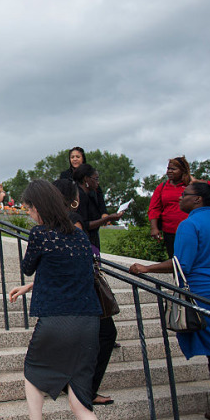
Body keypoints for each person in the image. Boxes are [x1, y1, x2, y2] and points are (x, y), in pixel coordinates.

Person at [8, 180, 107, 420]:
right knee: (80, 401)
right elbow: (71, 273)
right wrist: (31, 287)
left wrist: (30, 279)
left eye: (29, 208)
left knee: (33, 372)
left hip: (56, 320)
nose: (29, 213)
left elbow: (28, 267)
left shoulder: (41, 234)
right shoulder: (80, 236)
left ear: (39, 207)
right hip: (88, 321)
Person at [129, 179, 210, 420]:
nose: (180, 198)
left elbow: (181, 265)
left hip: (204, 292)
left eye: (185, 195)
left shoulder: (189, 224)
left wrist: (146, 268)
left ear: (198, 199)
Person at [72, 164, 122, 406]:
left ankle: (74, 384)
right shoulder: (74, 214)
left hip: (85, 275)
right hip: (85, 280)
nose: (97, 181)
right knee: (105, 333)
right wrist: (107, 219)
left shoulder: (90, 196)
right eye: (95, 177)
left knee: (100, 333)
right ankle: (85, 389)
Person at [148, 156, 192, 259]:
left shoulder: (191, 186)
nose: (169, 171)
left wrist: (192, 179)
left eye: (173, 169)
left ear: (183, 170)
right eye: (168, 168)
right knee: (174, 259)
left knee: (189, 259)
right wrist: (154, 228)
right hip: (170, 232)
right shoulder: (162, 187)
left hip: (190, 231)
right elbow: (154, 208)